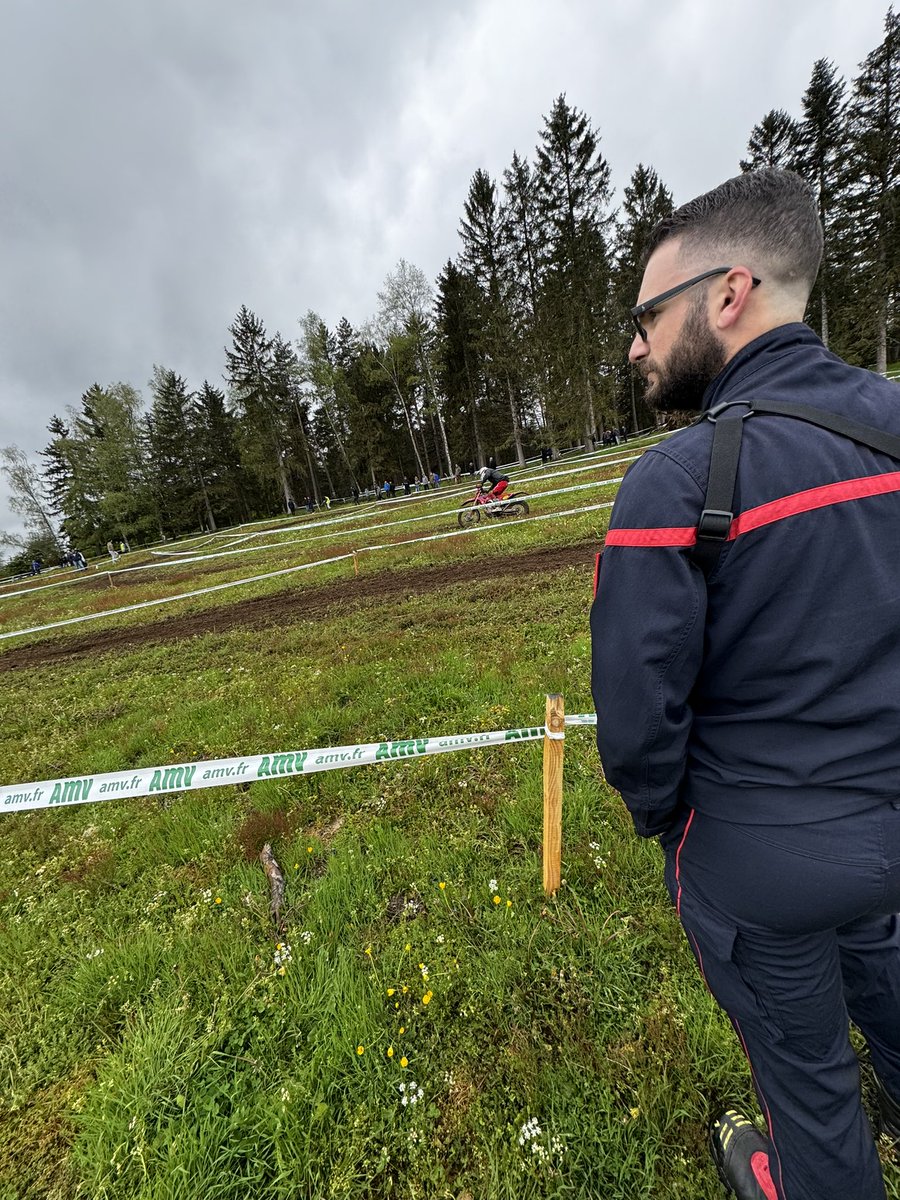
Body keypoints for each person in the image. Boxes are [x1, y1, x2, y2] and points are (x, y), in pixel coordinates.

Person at [590, 168, 900, 1200]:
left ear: (729, 296)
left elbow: (637, 726)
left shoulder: (679, 483)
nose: (634, 344)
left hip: (757, 861)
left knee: (808, 1094)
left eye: (647, 315)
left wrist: (664, 819)